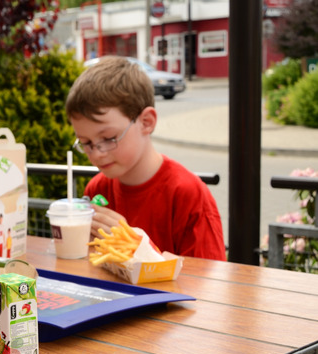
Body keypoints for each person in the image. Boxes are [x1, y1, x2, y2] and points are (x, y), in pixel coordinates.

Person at [65, 56, 226, 261]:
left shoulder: (188, 194)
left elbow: (209, 283)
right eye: (86, 143)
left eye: (108, 138)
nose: (96, 153)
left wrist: (136, 248)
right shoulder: (97, 190)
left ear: (146, 122)